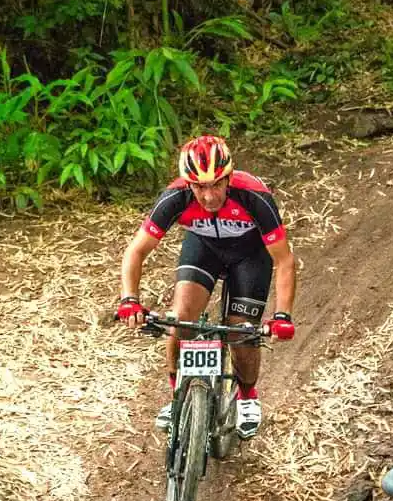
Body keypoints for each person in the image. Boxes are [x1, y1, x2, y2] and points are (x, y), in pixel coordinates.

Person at [116, 135, 296, 439]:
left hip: (249, 255)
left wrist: (282, 316)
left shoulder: (254, 197)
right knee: (180, 318)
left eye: (216, 184)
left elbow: (285, 261)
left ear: (228, 178)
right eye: (199, 187)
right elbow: (136, 251)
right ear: (188, 184)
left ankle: (247, 396)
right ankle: (177, 396)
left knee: (241, 330)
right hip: (204, 249)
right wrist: (129, 299)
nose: (209, 196)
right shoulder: (174, 198)